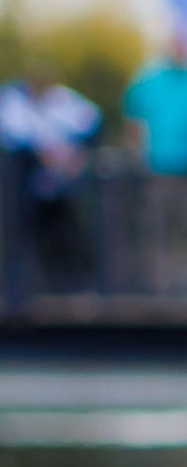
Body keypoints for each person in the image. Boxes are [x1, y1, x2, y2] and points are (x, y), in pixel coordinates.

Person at [123, 25, 187, 292]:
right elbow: (133, 122)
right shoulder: (151, 81)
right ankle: (159, 291)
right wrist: (136, 159)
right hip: (159, 172)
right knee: (158, 235)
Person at [0, 62, 101, 303]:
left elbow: (91, 126)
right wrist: (42, 153)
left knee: (63, 233)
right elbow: (17, 140)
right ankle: (19, 290)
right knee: (21, 235)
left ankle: (69, 283)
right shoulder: (13, 101)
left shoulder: (62, 100)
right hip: (20, 189)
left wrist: (74, 154)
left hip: (58, 188)